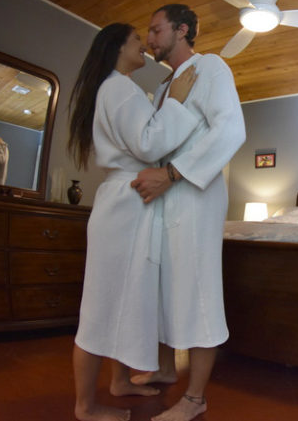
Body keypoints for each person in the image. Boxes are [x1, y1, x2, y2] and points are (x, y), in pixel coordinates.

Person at [68, 22, 200, 421]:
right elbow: (148, 144)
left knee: (121, 297)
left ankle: (119, 381)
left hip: (126, 202)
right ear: (117, 47)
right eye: (136, 40)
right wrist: (176, 102)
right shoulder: (119, 89)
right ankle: (85, 406)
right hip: (124, 206)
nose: (142, 45)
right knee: (101, 306)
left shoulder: (118, 88)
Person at [130, 4, 246, 421]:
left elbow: (230, 129)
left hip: (194, 197)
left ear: (182, 30)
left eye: (156, 29)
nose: (150, 39)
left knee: (198, 291)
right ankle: (165, 368)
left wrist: (172, 174)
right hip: (164, 199)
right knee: (163, 283)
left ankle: (195, 399)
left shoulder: (210, 67)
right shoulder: (164, 86)